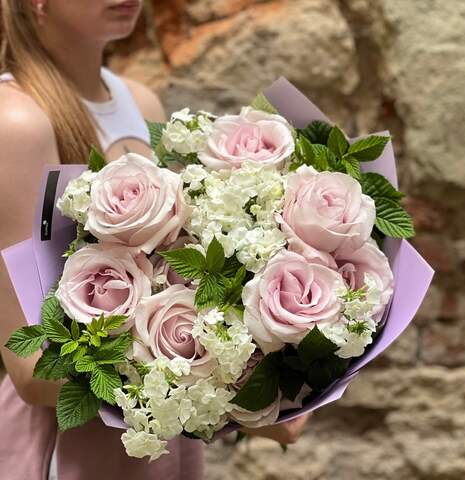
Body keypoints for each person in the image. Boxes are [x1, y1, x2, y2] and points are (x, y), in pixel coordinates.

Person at [0, 1, 309, 479]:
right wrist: (235, 398)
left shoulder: (140, 103)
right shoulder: (16, 121)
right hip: (69, 444)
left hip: (155, 438)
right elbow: (31, 371)